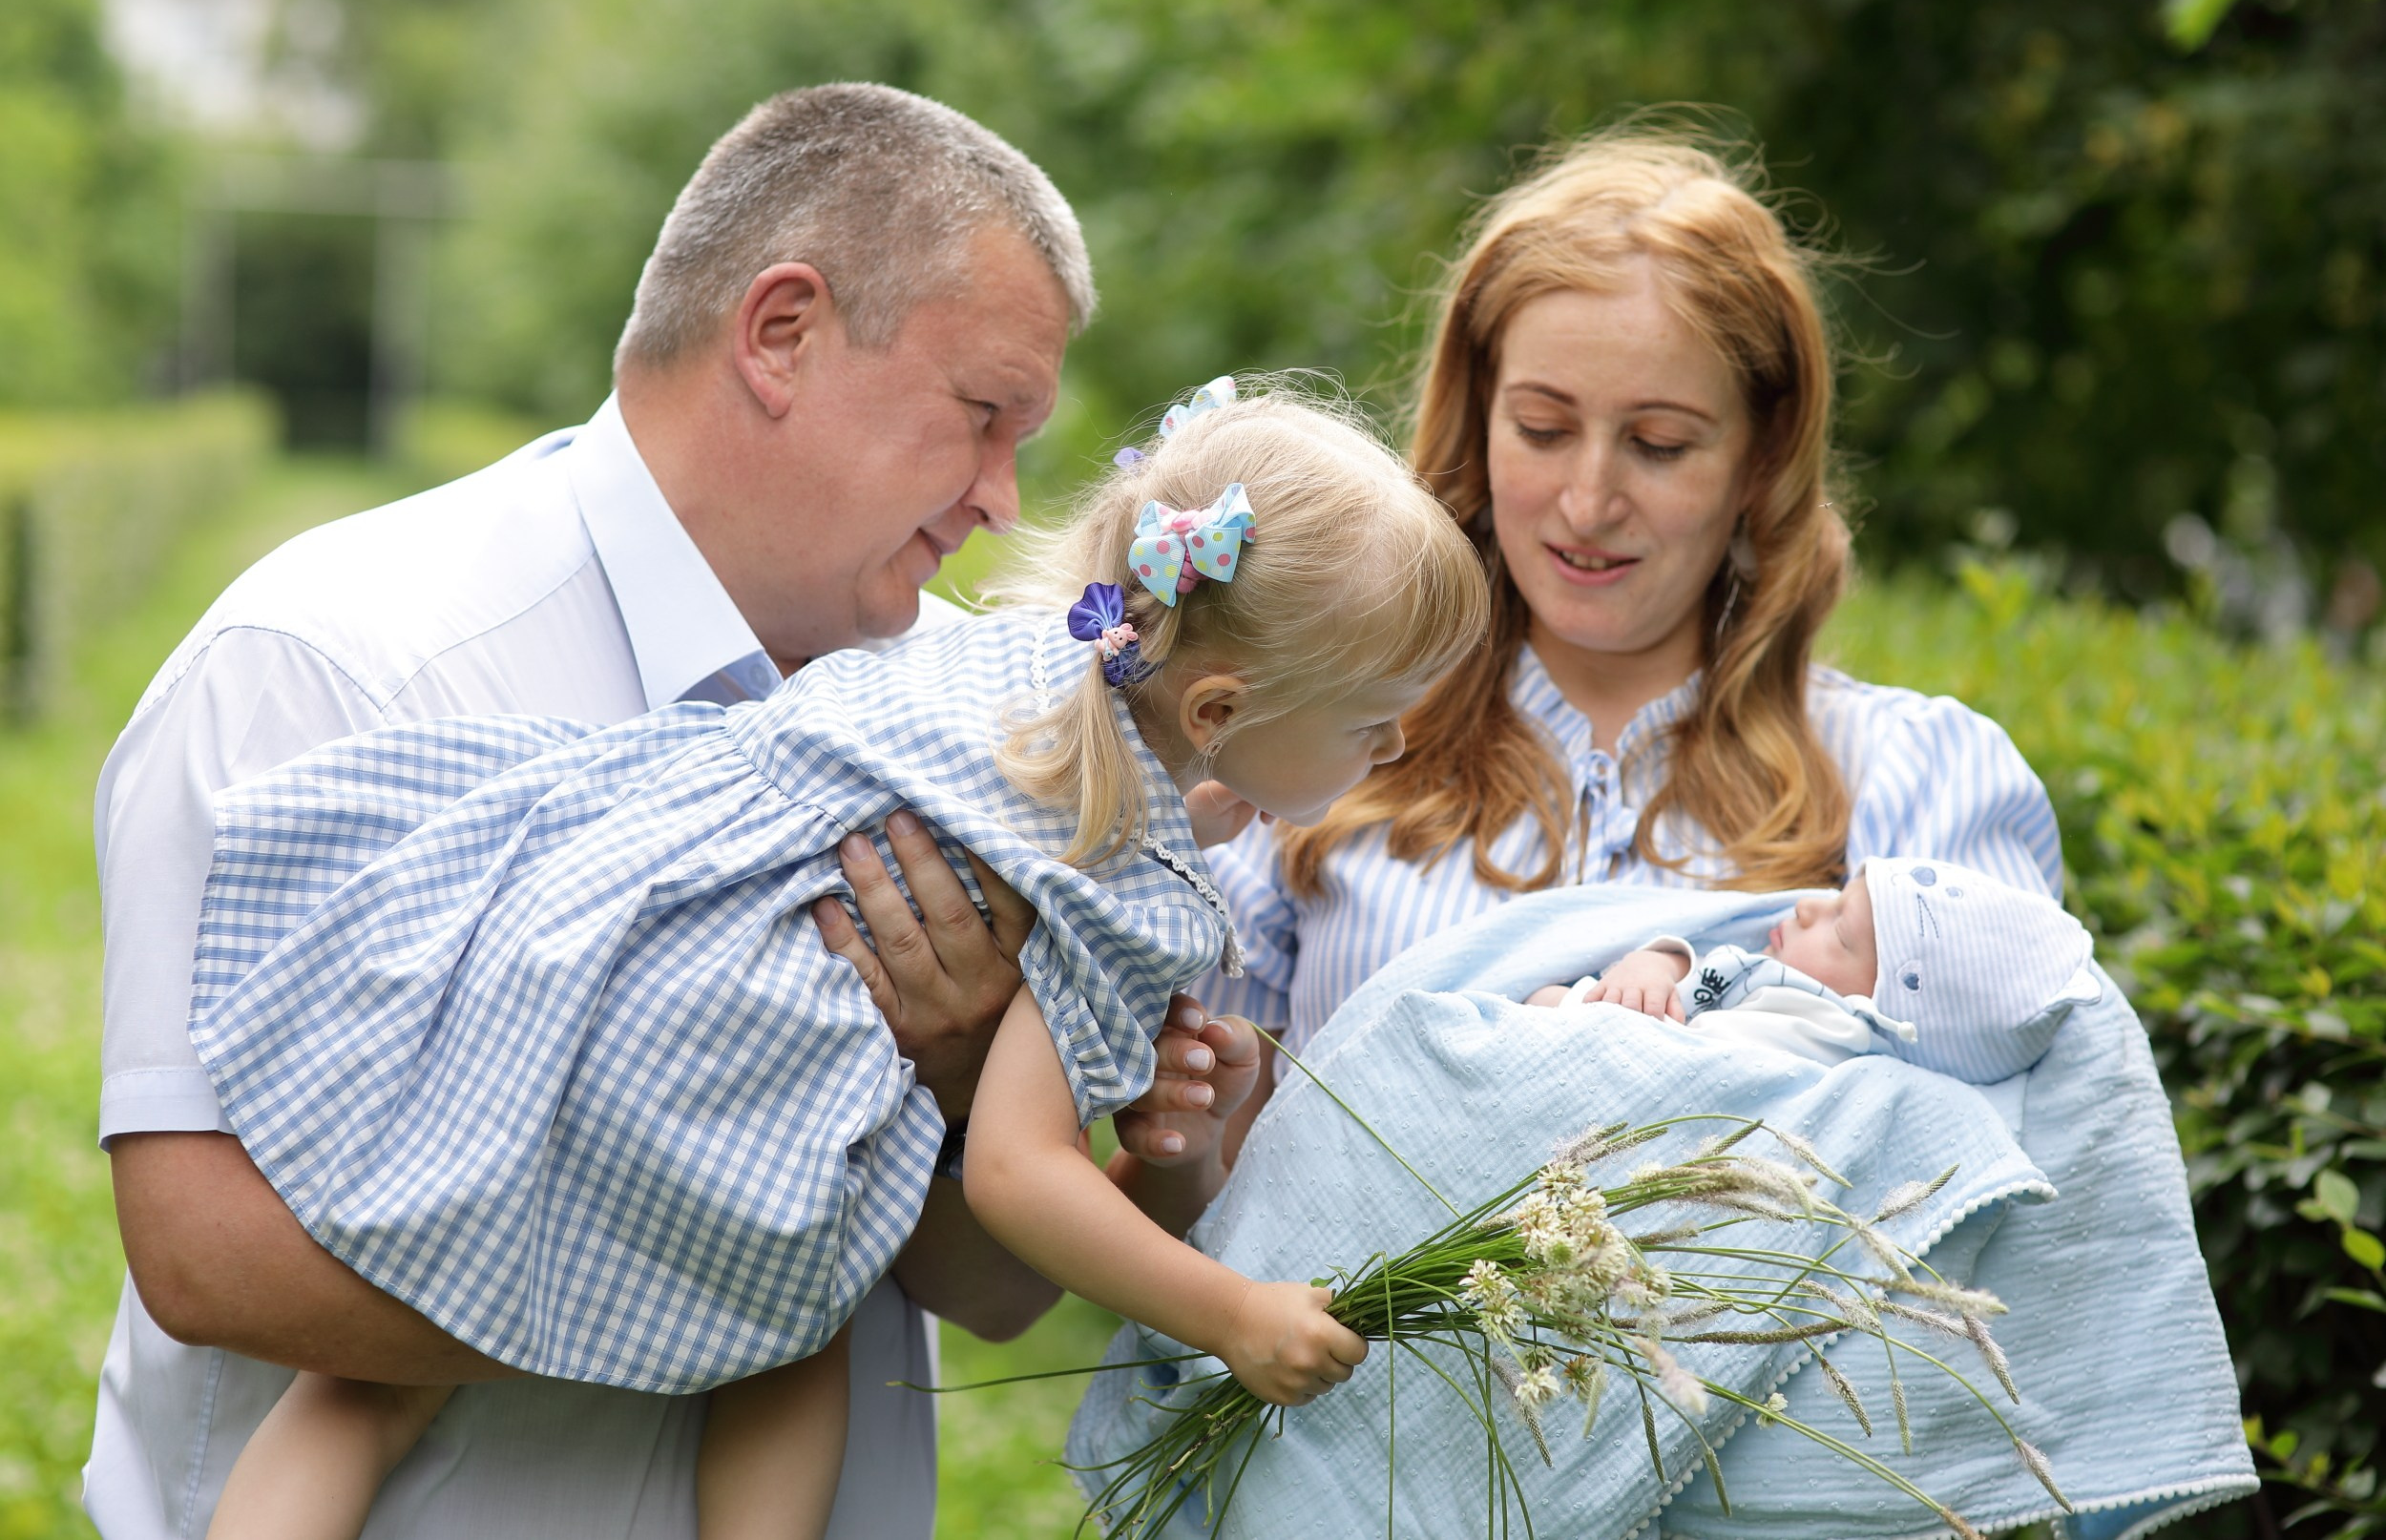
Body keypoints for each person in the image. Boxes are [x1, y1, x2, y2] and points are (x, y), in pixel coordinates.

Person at [89, 83, 1244, 1540]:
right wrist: (716, 1269)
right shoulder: (334, 663)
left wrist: (960, 1086)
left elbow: (998, 1291)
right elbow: (205, 1250)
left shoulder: (998, 735)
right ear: (781, 334)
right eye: (982, 415)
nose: (1009, 502)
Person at [189, 383, 1487, 1540]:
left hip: (587, 951)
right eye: (1372, 726)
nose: (1384, 756)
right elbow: (1021, 1172)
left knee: (362, 1391)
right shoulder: (1120, 900)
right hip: (707, 1077)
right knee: (795, 1318)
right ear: (1216, 711)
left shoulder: (1008, 664)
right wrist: (1231, 1311)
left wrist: (1194, 805)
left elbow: (1123, 774)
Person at [1197, 126, 2067, 1123]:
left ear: (1760, 455)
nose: (1587, 500)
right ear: (1476, 421)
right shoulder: (1300, 756)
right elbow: (1207, 1206)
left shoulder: (1919, 778)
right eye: (1543, 428)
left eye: (1658, 444)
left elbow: (1997, 1173)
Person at [1532, 856, 2098, 1081]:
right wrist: (1661, 960)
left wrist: (1565, 1005)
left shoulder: (1819, 1029)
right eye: (1834, 893)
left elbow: (1671, 1061)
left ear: (1877, 1009)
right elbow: (1704, 983)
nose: (1806, 907)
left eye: (1840, 930)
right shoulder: (1787, 984)